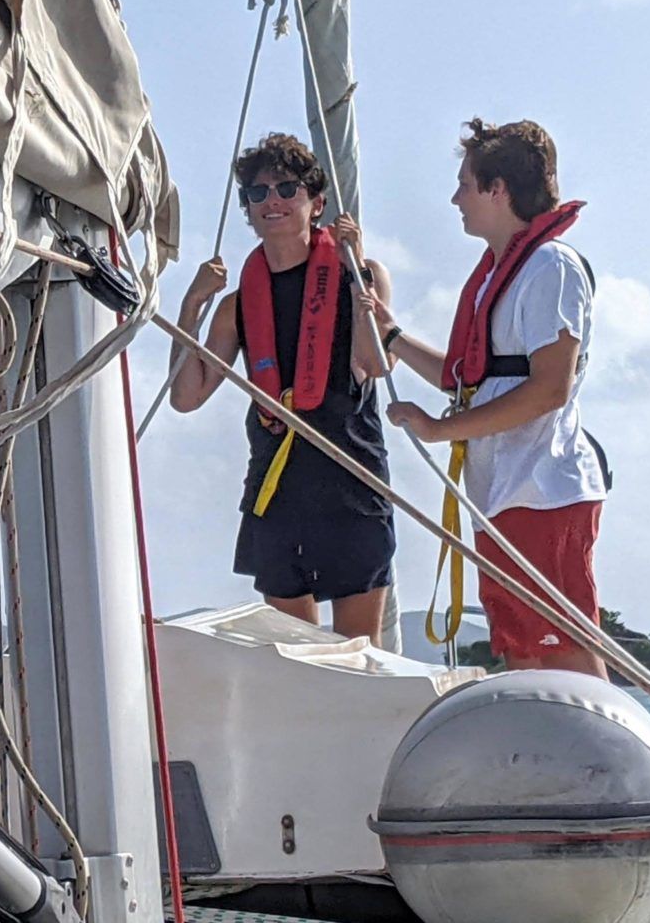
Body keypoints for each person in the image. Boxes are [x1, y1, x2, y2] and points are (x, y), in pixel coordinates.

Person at [370, 118, 609, 678]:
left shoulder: (551, 267)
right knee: (520, 649)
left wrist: (437, 429)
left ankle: (600, 765)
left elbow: (549, 388)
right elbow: (473, 378)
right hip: (500, 492)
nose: (456, 198)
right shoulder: (497, 276)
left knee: (563, 648)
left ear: (498, 190)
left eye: (465, 184)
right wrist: (393, 337)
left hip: (542, 490)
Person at [167, 133, 396, 645]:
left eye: (286, 188)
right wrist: (191, 306)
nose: (271, 201)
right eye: (257, 193)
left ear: (316, 203)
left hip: (350, 486)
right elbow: (186, 397)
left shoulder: (361, 273)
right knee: (296, 657)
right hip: (277, 488)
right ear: (247, 210)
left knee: (360, 656)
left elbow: (376, 364)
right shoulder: (236, 304)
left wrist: (360, 280)